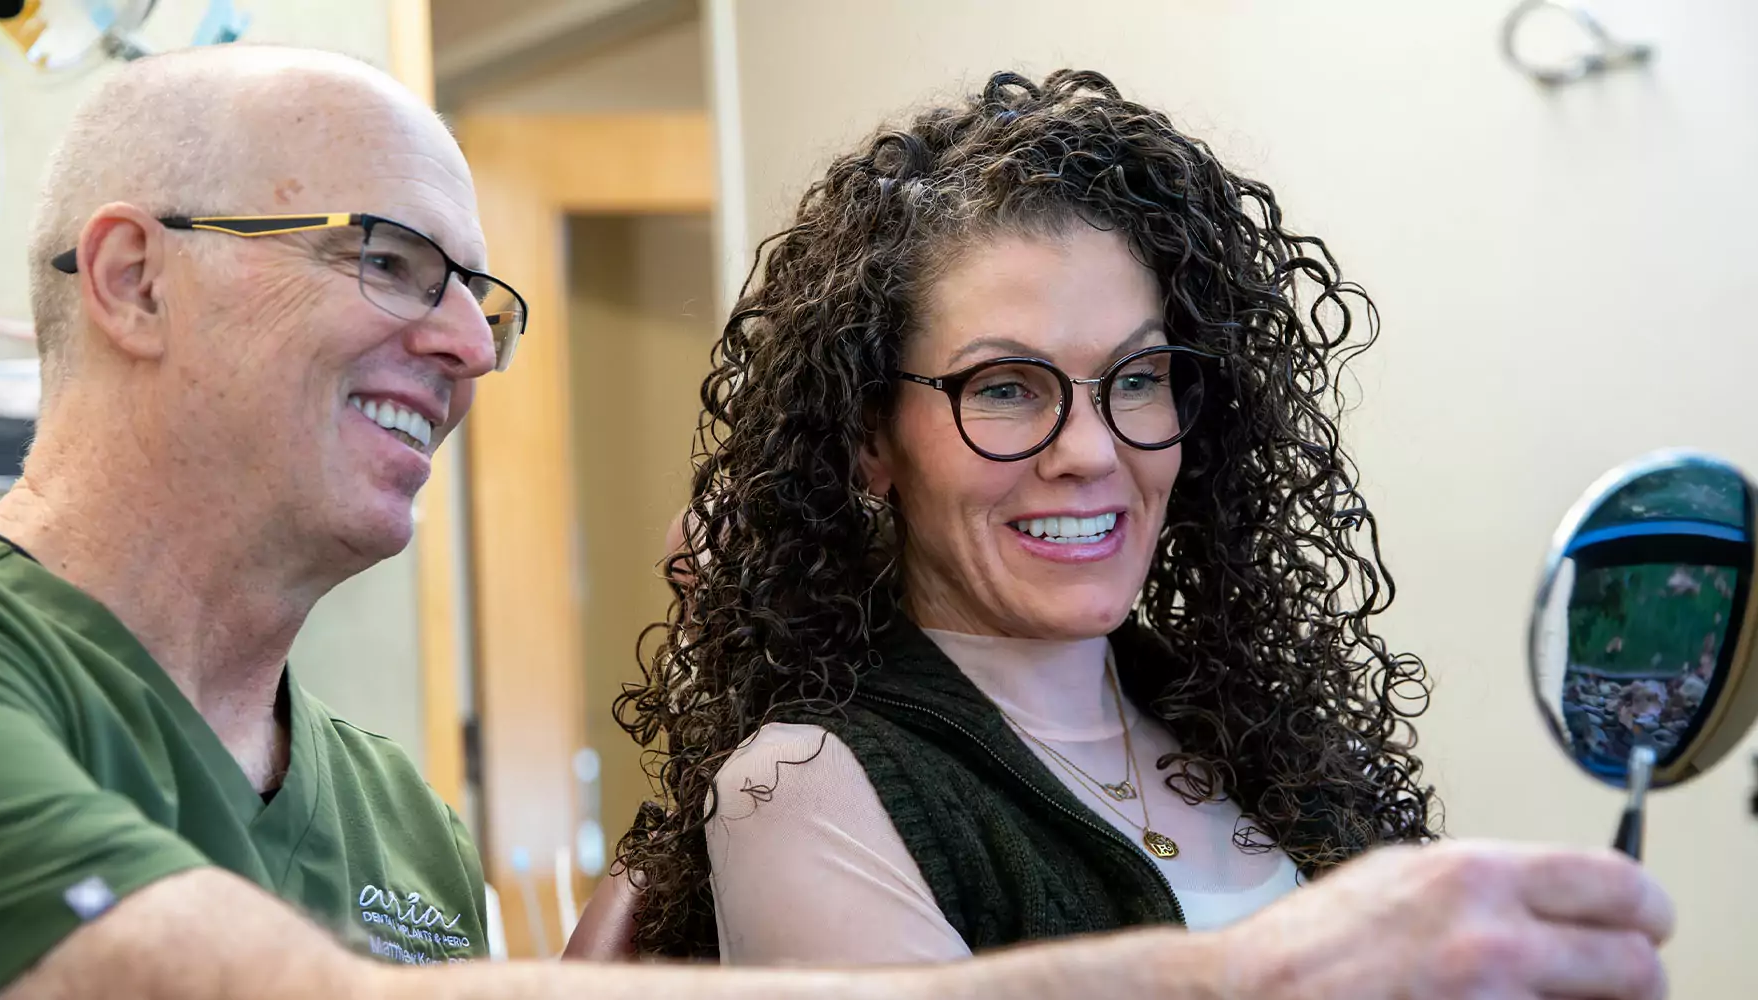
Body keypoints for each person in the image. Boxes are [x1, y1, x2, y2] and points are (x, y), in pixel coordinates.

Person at [0, 44, 1670, 1000]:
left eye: (477, 295)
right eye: (393, 261)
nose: (457, 341)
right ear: (129, 277)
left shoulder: (398, 832)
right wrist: (1256, 985)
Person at [613, 65, 1668, 986]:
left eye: (1136, 376)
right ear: (869, 442)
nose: (1088, 449)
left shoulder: (1246, 739)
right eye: (1005, 387)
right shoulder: (802, 786)